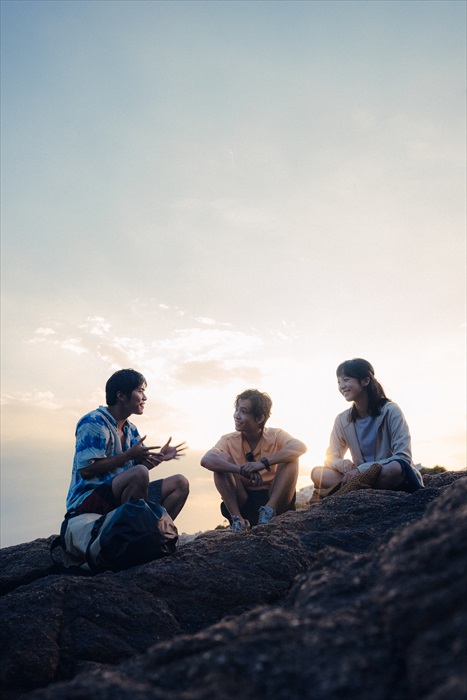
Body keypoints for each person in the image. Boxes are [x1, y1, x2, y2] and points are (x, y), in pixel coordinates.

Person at [66, 368, 189, 520]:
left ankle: (155, 532)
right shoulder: (93, 421)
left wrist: (161, 457)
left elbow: (139, 468)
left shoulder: (130, 429)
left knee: (180, 483)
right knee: (139, 472)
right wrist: (128, 456)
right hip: (89, 499)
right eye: (140, 391)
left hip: (122, 496)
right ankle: (132, 530)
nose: (145, 398)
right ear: (121, 396)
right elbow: (86, 470)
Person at [311, 358, 424, 498]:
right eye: (339, 382)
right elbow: (330, 458)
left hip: (386, 473)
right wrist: (345, 465)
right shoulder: (342, 419)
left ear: (365, 381)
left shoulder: (391, 411)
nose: (342, 386)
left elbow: (403, 457)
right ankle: (359, 488)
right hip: (359, 476)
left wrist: (361, 470)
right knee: (318, 473)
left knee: (396, 468)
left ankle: (353, 489)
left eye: (346, 379)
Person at [201, 389, 307, 532]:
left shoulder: (276, 435)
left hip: (274, 499)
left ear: (259, 418)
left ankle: (268, 513)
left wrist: (262, 463)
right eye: (237, 410)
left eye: (243, 411)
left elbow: (300, 447)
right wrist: (240, 470)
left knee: (291, 456)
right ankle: (238, 521)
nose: (237, 415)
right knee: (221, 460)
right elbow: (206, 460)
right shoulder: (228, 439)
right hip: (244, 500)